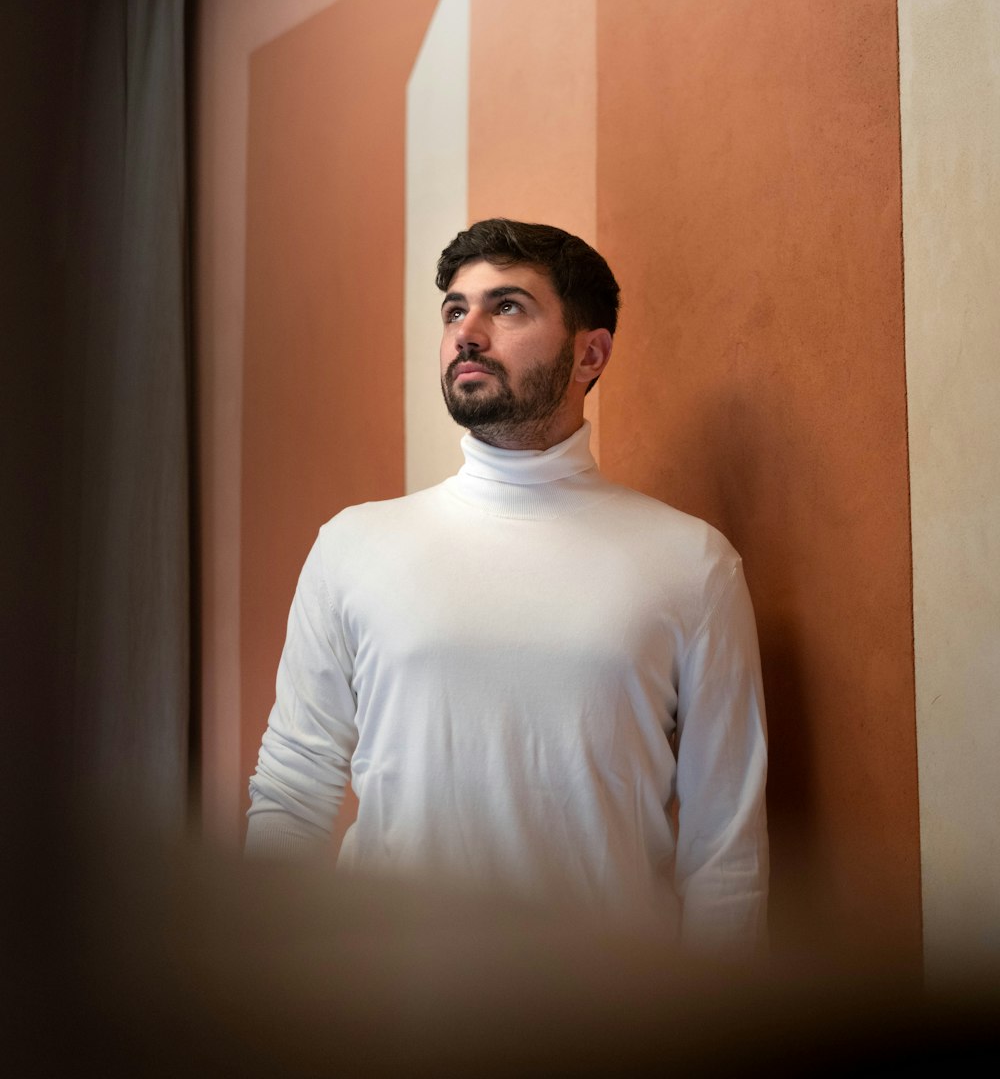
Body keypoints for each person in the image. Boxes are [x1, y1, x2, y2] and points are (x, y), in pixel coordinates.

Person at [246, 218, 768, 956]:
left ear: (591, 353)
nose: (468, 331)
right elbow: (294, 787)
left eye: (508, 307)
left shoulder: (693, 565)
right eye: (456, 309)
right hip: (384, 1012)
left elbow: (726, 852)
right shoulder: (354, 547)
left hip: (609, 1023)